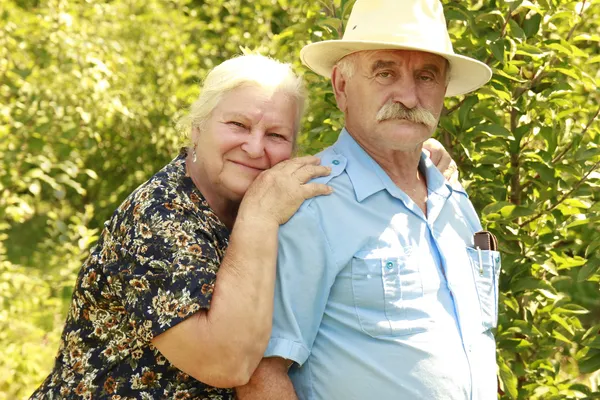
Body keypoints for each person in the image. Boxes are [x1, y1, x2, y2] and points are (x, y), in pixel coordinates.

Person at [31, 54, 456, 399]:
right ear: (196, 127)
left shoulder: (263, 195)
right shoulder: (159, 217)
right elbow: (228, 365)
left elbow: (358, 153)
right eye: (237, 125)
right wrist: (259, 215)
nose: (255, 147)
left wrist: (412, 154)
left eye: (276, 134)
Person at [237, 1, 501, 399]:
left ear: (444, 91)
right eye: (385, 72)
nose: (409, 96)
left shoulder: (453, 196)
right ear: (341, 86)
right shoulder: (311, 201)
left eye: (427, 76)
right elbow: (260, 372)